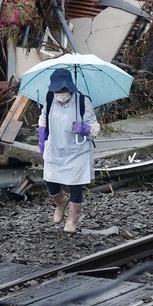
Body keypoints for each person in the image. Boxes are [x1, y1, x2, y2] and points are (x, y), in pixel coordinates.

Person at [37, 68, 100, 233]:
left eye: (63, 89)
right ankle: (60, 203)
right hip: (55, 148)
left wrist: (84, 129)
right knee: (51, 181)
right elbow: (43, 119)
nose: (60, 93)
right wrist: (42, 139)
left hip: (77, 151)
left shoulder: (82, 101)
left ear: (70, 87)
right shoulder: (50, 98)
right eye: (57, 89)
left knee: (75, 185)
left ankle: (72, 219)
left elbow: (94, 128)